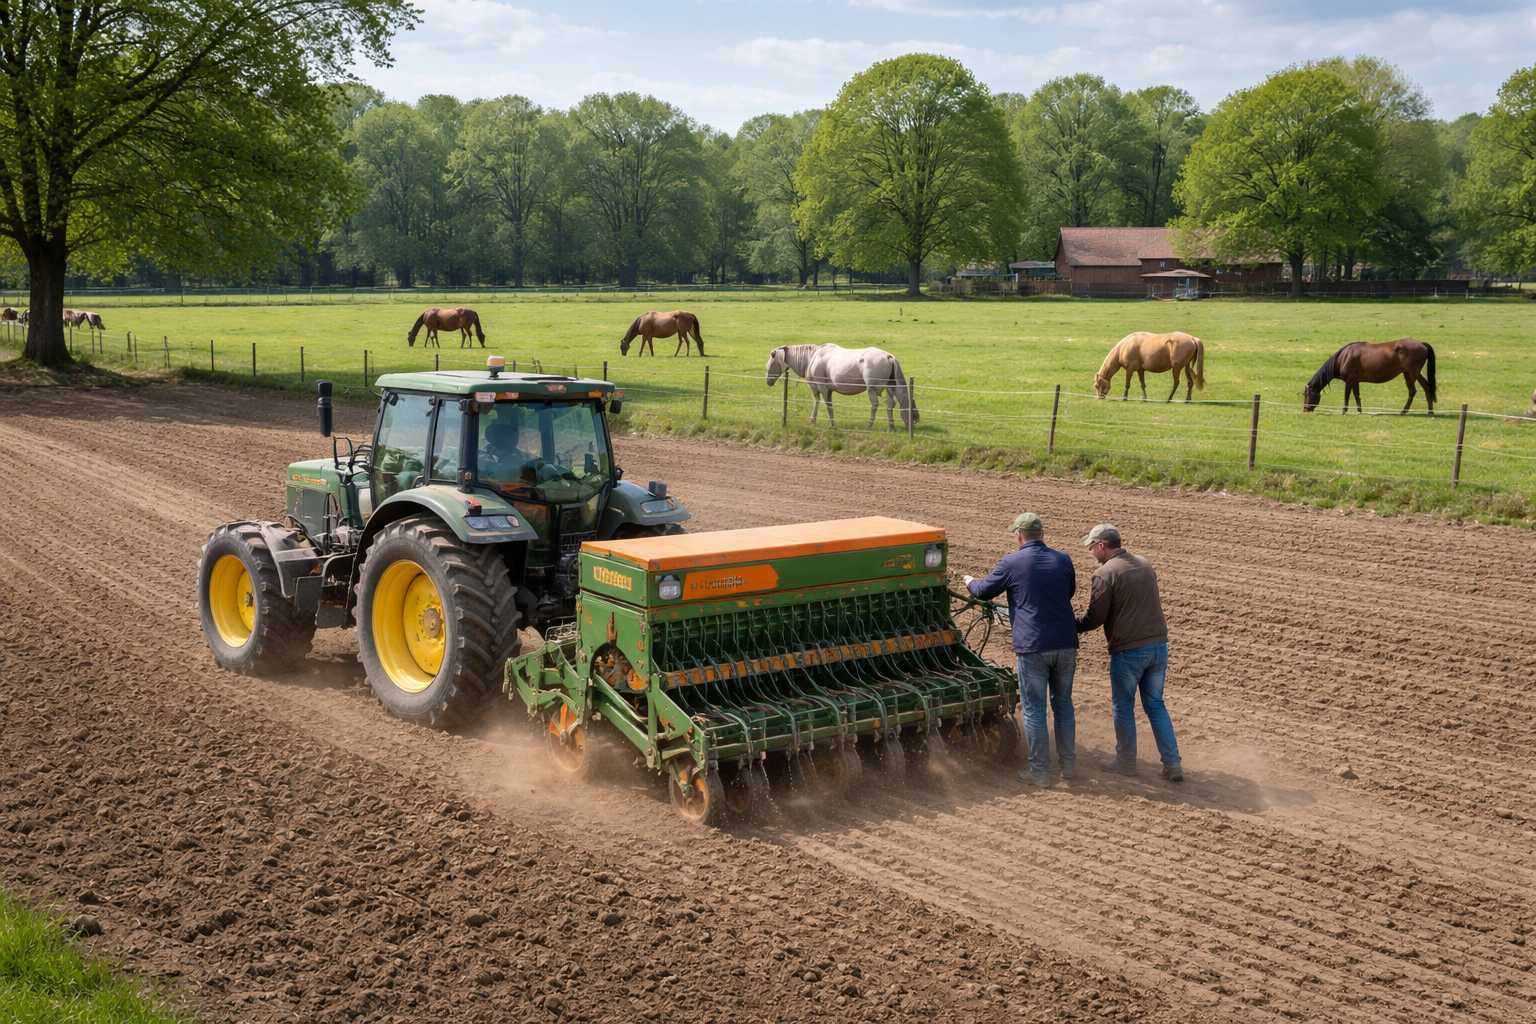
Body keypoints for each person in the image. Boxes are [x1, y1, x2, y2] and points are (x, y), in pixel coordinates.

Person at [963, 512, 1078, 787]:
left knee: (1034, 709)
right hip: (1066, 642)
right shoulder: (1063, 559)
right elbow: (1069, 591)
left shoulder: (1013, 562)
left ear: (1019, 535)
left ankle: (1039, 771)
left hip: (1033, 645)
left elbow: (983, 591)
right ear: (1042, 534)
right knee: (1063, 704)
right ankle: (1069, 765)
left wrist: (968, 581)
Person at [1075, 524, 1183, 782]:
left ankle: (1125, 762)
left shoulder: (1105, 573)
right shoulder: (1145, 564)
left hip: (1129, 651)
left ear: (1102, 545)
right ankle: (1173, 764)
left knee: (1123, 706)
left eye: (1092, 547)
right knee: (1156, 705)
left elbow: (1095, 618)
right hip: (1158, 646)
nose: (1091, 552)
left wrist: (1071, 626)